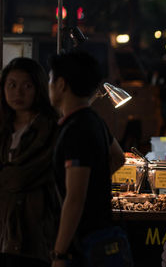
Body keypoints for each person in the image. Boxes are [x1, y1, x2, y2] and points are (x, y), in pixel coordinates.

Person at [47, 50, 127, 267]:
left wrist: (59, 254)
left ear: (61, 84)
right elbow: (119, 158)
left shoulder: (75, 129)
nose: (49, 86)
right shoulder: (94, 120)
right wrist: (96, 179)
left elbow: (75, 198)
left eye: (50, 79)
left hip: (82, 243)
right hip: (102, 234)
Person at [0, 58, 60, 267]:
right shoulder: (4, 128)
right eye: (12, 85)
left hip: (37, 232)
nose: (18, 93)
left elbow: (19, 178)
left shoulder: (50, 127)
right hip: (4, 232)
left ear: (39, 88)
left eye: (27, 85)